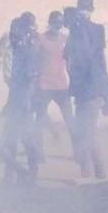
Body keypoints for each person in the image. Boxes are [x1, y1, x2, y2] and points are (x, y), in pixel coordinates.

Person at [65, 0, 108, 181]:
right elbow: (68, 57)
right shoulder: (74, 32)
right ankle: (91, 173)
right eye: (81, 8)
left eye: (86, 8)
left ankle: (97, 173)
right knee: (83, 131)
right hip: (82, 88)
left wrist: (105, 91)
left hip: (93, 86)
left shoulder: (96, 29)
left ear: (91, 10)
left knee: (88, 131)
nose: (84, 12)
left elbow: (93, 54)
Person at [0, 12, 42, 183]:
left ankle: (31, 172)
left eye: (16, 31)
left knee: (25, 138)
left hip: (24, 102)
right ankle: (10, 174)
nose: (12, 35)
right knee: (10, 138)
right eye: (12, 31)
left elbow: (31, 79)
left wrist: (25, 102)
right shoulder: (18, 50)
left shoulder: (27, 51)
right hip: (16, 100)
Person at [33, 9, 74, 143]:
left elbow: (69, 62)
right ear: (49, 23)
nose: (58, 25)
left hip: (61, 85)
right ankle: (38, 154)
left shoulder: (65, 39)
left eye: (61, 23)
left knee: (70, 121)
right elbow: (34, 60)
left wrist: (73, 81)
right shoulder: (40, 38)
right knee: (39, 120)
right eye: (56, 22)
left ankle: (80, 153)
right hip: (44, 84)